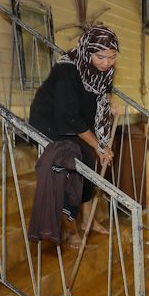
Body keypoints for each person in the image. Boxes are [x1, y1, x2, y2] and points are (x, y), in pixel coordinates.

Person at [28, 25, 120, 248]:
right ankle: (71, 231)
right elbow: (67, 116)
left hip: (78, 119)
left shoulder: (103, 68)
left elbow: (103, 90)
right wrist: (97, 145)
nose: (106, 63)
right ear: (88, 51)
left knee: (94, 165)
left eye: (112, 57)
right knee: (76, 168)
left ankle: (89, 220)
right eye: (100, 57)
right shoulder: (67, 69)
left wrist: (109, 102)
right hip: (51, 121)